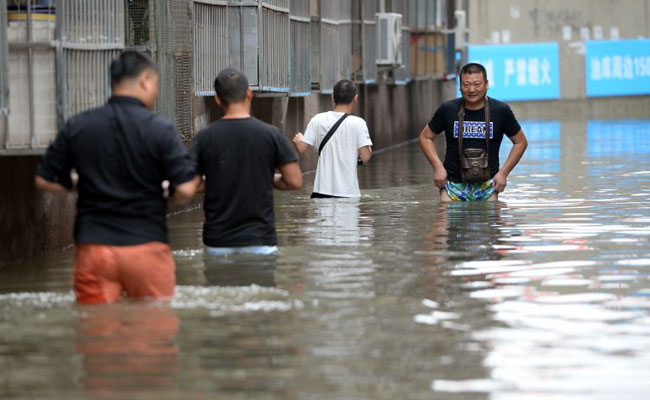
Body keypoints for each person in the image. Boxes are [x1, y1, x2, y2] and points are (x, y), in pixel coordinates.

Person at [35, 50, 199, 304]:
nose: (156, 92)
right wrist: (170, 194)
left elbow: (43, 179)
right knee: (152, 335)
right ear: (145, 80)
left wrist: (82, 182)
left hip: (95, 248)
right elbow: (187, 189)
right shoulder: (161, 129)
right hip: (146, 246)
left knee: (98, 334)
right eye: (156, 83)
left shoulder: (79, 125)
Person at [192, 68, 302, 256]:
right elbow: (294, 180)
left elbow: (191, 185)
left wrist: (220, 180)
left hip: (218, 242)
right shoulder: (272, 135)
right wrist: (264, 178)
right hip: (260, 241)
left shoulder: (204, 138)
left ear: (217, 99)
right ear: (249, 94)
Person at [419, 63, 528, 202]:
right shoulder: (447, 109)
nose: (471, 89)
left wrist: (503, 174)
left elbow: (520, 142)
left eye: (477, 84)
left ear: (486, 84)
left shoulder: (501, 111)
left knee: (494, 222)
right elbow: (425, 137)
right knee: (442, 222)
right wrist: (438, 167)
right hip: (452, 184)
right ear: (460, 86)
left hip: (488, 185)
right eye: (466, 85)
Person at [293, 79, 373, 198]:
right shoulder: (358, 123)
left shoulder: (318, 119)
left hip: (322, 191)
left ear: (333, 98)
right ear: (355, 98)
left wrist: (298, 139)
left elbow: (301, 148)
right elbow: (366, 156)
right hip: (349, 193)